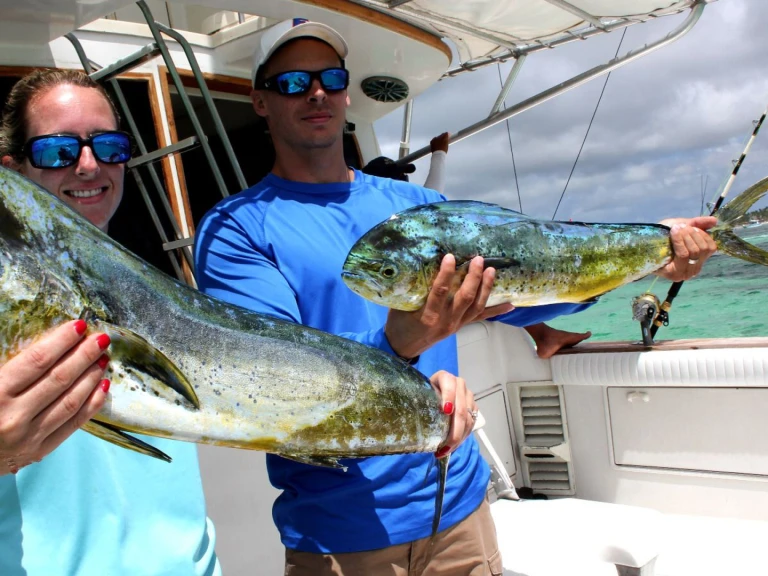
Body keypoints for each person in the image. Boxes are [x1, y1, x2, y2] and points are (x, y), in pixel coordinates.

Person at [193, 19, 716, 575]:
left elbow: (529, 292)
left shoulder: (418, 206)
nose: (317, 93)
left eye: (332, 78)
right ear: (260, 100)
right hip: (342, 534)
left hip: (461, 510)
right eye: (294, 82)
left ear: (346, 92)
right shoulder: (237, 229)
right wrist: (398, 343)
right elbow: (276, 378)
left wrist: (650, 258)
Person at [0, 69, 220, 576]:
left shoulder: (162, 290)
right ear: (13, 170)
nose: (88, 165)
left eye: (108, 146)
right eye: (57, 151)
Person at [363, 132, 593, 359]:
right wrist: (439, 153)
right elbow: (434, 188)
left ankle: (544, 335)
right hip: (412, 310)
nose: (404, 182)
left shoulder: (398, 223)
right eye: (398, 178)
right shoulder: (397, 223)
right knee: (486, 297)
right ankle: (551, 329)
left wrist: (439, 153)